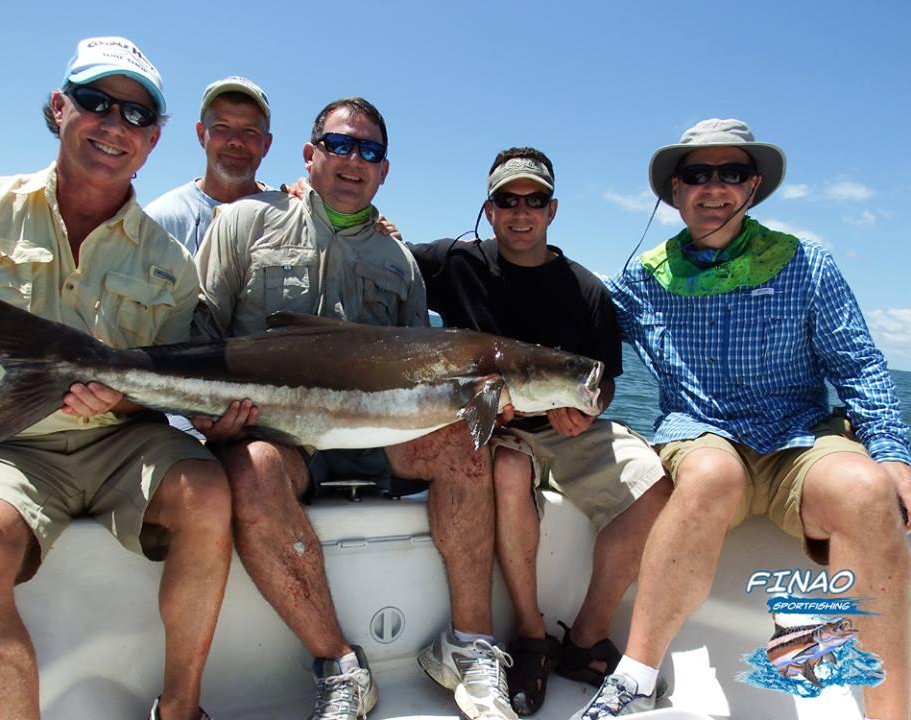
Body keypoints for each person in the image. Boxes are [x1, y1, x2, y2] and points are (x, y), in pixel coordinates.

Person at [571, 119, 911, 719]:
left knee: (866, 490)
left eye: (730, 173)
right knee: (709, 476)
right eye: (697, 175)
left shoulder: (806, 264)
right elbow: (571, 326)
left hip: (798, 440)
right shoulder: (643, 282)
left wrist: (892, 455)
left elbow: (858, 366)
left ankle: (890, 711)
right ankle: (637, 676)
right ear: (675, 192)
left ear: (753, 186)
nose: (714, 188)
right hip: (699, 434)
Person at [194, 97, 516, 720]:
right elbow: (200, 328)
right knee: (249, 468)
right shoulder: (244, 225)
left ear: (384, 170)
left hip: (378, 436)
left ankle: (469, 644)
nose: (352, 160)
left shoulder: (398, 260)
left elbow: (418, 366)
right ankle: (340, 666)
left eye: (369, 151)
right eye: (339, 145)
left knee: (464, 445)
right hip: (281, 434)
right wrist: (206, 416)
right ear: (310, 154)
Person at [0, 37, 233, 720]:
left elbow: (172, 384)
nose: (115, 126)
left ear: (156, 139)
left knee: (206, 494)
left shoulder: (173, 262)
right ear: (60, 107)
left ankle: (181, 709)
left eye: (137, 116)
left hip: (122, 439)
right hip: (4, 445)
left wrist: (136, 394)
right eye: (96, 103)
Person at [408, 147, 671, 715]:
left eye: (533, 201)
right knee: (505, 468)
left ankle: (583, 636)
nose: (520, 212)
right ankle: (530, 638)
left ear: (553, 210)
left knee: (656, 486)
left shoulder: (587, 290)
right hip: (492, 427)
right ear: (489, 208)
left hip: (564, 428)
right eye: (507, 201)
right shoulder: (454, 262)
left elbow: (602, 383)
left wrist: (589, 411)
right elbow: (387, 254)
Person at [145, 75, 273, 254]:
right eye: (222, 127)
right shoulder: (160, 222)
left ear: (266, 144)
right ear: (200, 134)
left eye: (250, 131)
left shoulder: (289, 217)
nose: (236, 141)